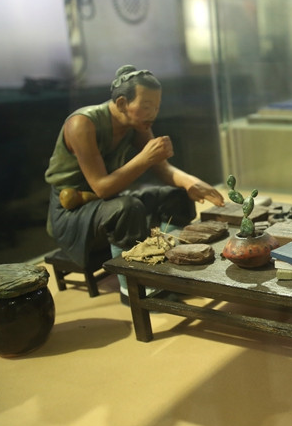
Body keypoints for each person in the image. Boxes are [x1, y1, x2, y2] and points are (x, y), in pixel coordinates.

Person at [44, 65, 224, 303]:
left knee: (176, 196)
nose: (153, 113)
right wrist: (144, 158)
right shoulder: (82, 124)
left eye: (156, 107)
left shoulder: (137, 124)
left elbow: (163, 168)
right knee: (127, 208)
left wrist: (192, 184)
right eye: (147, 106)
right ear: (121, 103)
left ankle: (173, 266)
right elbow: (102, 188)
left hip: (107, 203)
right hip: (75, 212)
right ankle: (134, 289)